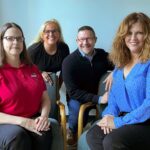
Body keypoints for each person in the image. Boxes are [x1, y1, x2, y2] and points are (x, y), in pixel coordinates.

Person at [86, 12, 150, 150]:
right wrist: (109, 115)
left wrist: (117, 122)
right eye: (129, 33)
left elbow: (149, 105)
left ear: (147, 36)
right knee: (93, 135)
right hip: (123, 119)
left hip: (145, 122)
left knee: (112, 141)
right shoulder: (120, 65)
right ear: (123, 36)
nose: (133, 38)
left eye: (139, 33)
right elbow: (114, 98)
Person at [0, 22, 52, 150]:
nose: (16, 42)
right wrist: (24, 122)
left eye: (19, 38)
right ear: (1, 41)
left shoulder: (33, 69)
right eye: (10, 38)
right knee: (18, 136)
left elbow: (44, 98)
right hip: (6, 123)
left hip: (32, 117)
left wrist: (44, 116)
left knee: (44, 133)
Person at [62, 26, 114, 145]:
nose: (85, 42)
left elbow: (120, 63)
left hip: (100, 94)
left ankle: (99, 130)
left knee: (108, 116)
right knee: (76, 119)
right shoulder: (68, 62)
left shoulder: (102, 54)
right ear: (77, 41)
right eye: (81, 39)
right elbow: (73, 92)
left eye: (89, 38)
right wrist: (99, 99)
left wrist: (115, 72)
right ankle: (71, 130)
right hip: (78, 97)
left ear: (95, 39)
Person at [28, 19, 69, 87]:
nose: (51, 34)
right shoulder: (33, 50)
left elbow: (64, 71)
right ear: (42, 35)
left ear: (59, 33)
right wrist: (40, 73)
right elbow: (25, 72)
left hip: (51, 87)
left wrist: (57, 89)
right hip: (34, 84)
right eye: (47, 31)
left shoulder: (64, 48)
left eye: (54, 31)